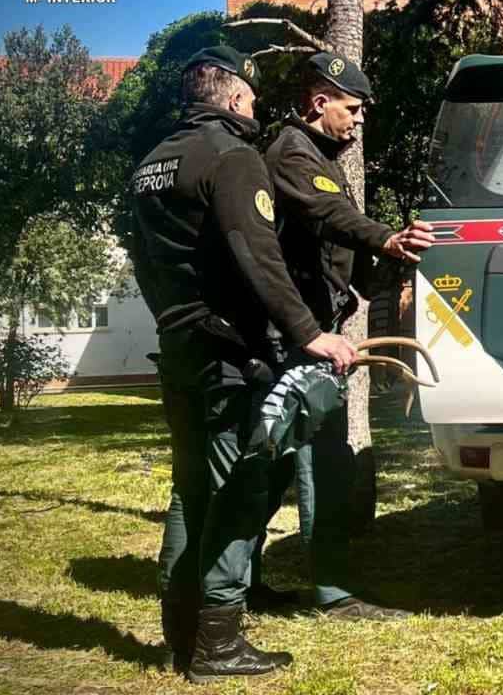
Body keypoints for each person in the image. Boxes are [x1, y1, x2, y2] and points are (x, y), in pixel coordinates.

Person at [128, 46, 358, 682]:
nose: (256, 110)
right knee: (239, 492)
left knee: (191, 490)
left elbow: (145, 264)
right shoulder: (233, 158)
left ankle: (181, 634)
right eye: (252, 99)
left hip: (178, 349)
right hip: (232, 356)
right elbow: (260, 259)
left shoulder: (151, 164)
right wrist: (311, 333)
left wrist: (175, 322)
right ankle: (218, 644)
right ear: (232, 97)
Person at [258, 51, 434, 619]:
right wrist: (386, 239)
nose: (358, 121)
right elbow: (333, 216)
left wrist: (384, 269)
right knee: (317, 460)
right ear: (319, 102)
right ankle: (331, 593)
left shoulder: (319, 157)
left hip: (307, 331)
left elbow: (337, 244)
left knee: (276, 463)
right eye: (351, 109)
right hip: (297, 337)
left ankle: (238, 582)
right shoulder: (292, 153)